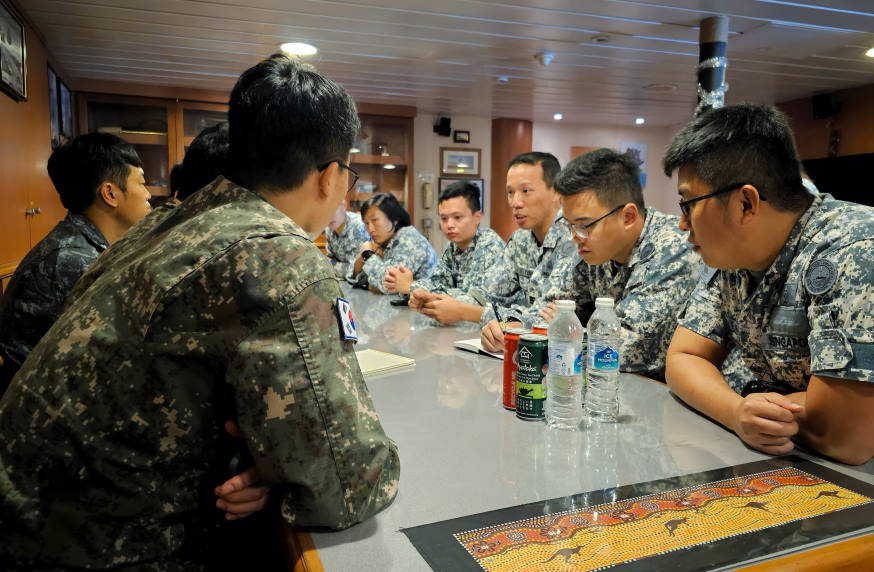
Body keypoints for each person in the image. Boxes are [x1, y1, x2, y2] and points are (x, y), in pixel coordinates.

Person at [0, 54, 400, 569]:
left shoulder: (169, 222)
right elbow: (348, 484)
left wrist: (272, 455)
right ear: (328, 176)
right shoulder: (279, 256)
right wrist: (294, 459)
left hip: (33, 514)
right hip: (90, 546)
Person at [662, 103, 874, 466]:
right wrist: (737, 412)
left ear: (746, 203)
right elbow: (682, 359)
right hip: (793, 462)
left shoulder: (854, 248)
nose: (682, 225)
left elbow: (845, 435)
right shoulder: (733, 255)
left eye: (688, 205)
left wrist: (755, 407)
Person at [0, 133, 151, 392]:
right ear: (110, 193)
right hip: (42, 409)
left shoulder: (85, 243)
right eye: (142, 182)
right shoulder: (74, 259)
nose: (149, 195)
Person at [549, 148, 700, 381]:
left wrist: (563, 333)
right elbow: (549, 306)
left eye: (583, 225)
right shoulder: (591, 246)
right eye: (568, 225)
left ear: (628, 217)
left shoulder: (673, 247)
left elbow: (628, 349)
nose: (574, 236)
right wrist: (516, 324)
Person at [479, 152, 579, 352]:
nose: (515, 202)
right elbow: (487, 295)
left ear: (556, 191)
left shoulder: (575, 239)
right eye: (510, 192)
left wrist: (468, 313)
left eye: (526, 191)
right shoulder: (520, 239)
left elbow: (547, 317)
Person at [400, 180, 505, 324]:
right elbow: (437, 282)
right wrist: (420, 293)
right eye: (444, 218)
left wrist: (412, 287)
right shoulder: (452, 246)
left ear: (477, 217)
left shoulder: (490, 245)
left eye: (457, 217)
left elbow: (474, 302)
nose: (449, 225)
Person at [351, 192, 437, 294]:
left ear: (394, 219)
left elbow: (388, 285)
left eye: (375, 220)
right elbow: (359, 280)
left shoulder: (410, 239)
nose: (370, 228)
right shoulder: (386, 241)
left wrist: (367, 254)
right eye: (366, 223)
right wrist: (361, 258)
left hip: (421, 307)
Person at [325, 198, 370, 279]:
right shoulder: (329, 228)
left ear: (344, 206)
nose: (329, 216)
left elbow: (358, 272)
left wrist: (334, 265)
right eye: (324, 212)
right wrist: (332, 263)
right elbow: (328, 260)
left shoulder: (359, 226)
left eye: (332, 210)